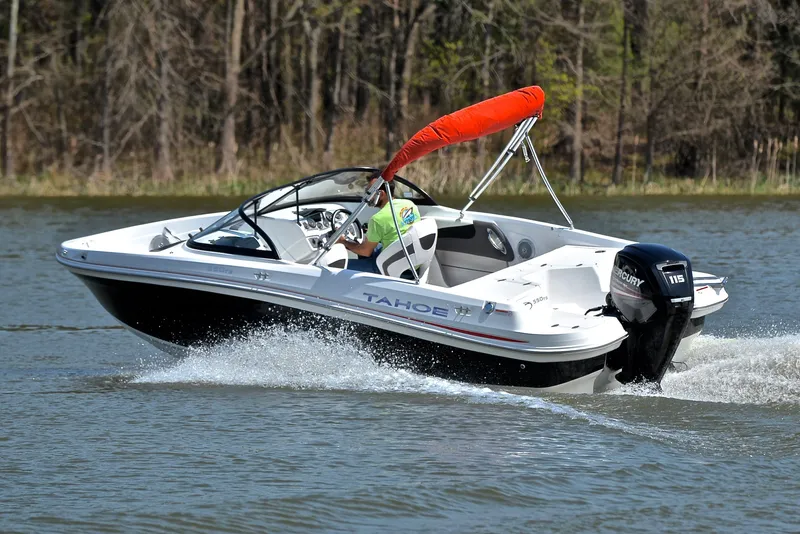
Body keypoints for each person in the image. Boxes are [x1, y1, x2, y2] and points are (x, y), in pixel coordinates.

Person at [340, 176, 420, 273]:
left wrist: (343, 242)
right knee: (363, 242)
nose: (367, 196)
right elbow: (396, 228)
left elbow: (365, 252)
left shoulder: (377, 219)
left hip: (395, 269)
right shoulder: (409, 204)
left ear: (381, 194)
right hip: (412, 262)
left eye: (369, 192)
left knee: (338, 266)